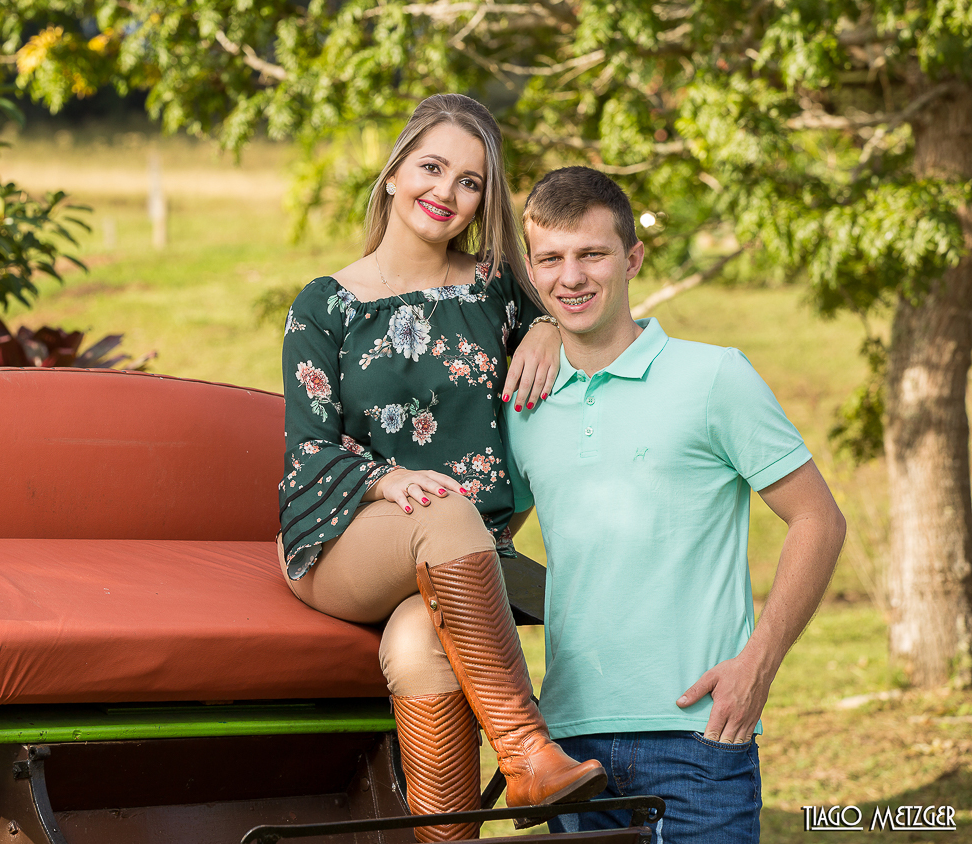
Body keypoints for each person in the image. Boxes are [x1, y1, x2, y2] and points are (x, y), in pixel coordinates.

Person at [278, 95, 607, 841]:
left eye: (470, 182)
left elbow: (582, 312)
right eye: (431, 167)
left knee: (418, 645)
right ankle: (526, 753)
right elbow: (307, 449)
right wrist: (384, 480)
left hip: (460, 559)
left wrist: (548, 328)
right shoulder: (325, 306)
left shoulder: (498, 290)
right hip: (344, 542)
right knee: (443, 506)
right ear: (395, 173)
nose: (446, 193)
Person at [504, 166, 847, 842]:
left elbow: (819, 519)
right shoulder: (524, 402)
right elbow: (486, 544)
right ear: (533, 272)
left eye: (592, 254)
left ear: (633, 259)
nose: (571, 277)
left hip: (699, 735)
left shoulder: (714, 377)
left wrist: (759, 664)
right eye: (551, 259)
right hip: (569, 745)